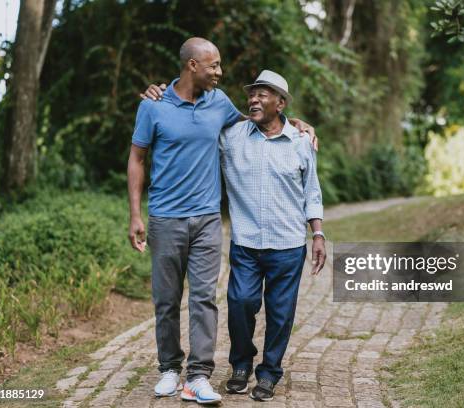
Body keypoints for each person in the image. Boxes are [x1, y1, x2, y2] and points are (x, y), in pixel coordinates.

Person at [129, 37, 315, 405]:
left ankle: (198, 376)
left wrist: (294, 121)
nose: (219, 71)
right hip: (165, 218)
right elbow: (137, 158)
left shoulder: (219, 103)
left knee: (204, 299)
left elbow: (258, 123)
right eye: (213, 65)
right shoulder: (153, 107)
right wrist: (136, 213)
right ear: (192, 66)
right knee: (166, 300)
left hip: (208, 219)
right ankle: (169, 367)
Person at [219, 70, 326, 402]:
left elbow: (312, 192)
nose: (254, 99)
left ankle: (269, 374)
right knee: (240, 303)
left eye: (263, 95)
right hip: (246, 243)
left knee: (280, 314)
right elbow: (193, 110)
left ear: (280, 104)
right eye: (252, 94)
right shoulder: (232, 136)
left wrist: (318, 233)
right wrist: (164, 92)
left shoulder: (301, 142)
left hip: (288, 245)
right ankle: (240, 364)